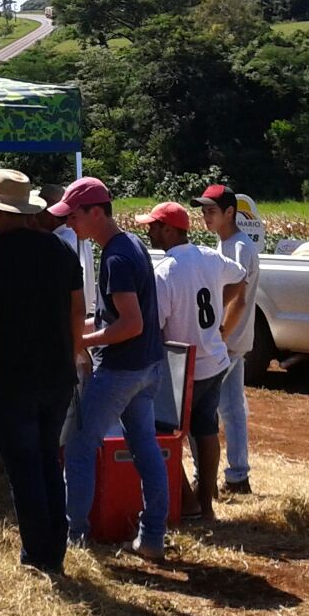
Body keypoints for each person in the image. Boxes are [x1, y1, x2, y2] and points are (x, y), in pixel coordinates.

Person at [0, 169, 84, 573]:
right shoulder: (59, 251)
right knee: (48, 461)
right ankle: (54, 553)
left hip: (9, 380)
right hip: (57, 377)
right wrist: (72, 353)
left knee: (24, 468)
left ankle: (36, 555)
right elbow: (77, 311)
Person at [54, 177, 169, 560]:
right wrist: (74, 330)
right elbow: (113, 318)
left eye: (73, 216)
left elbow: (129, 324)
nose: (70, 223)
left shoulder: (115, 258)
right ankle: (153, 536)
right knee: (145, 447)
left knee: (79, 448)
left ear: (97, 212)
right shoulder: (130, 244)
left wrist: (80, 342)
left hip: (121, 370)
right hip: (148, 368)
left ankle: (76, 538)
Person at [135, 202, 247, 521]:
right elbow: (240, 278)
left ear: (170, 229)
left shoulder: (165, 271)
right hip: (214, 359)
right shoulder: (208, 257)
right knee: (205, 428)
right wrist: (220, 321)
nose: (149, 231)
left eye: (154, 226)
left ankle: (187, 502)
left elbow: (154, 329)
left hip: (183, 367)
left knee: (160, 433)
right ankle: (205, 505)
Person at [196, 183, 262, 496]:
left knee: (201, 409)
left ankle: (208, 478)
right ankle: (238, 477)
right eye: (204, 210)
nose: (205, 216)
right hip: (231, 341)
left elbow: (239, 299)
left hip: (227, 343)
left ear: (229, 213)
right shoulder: (227, 245)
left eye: (211, 211)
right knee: (233, 409)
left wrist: (219, 336)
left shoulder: (238, 248)